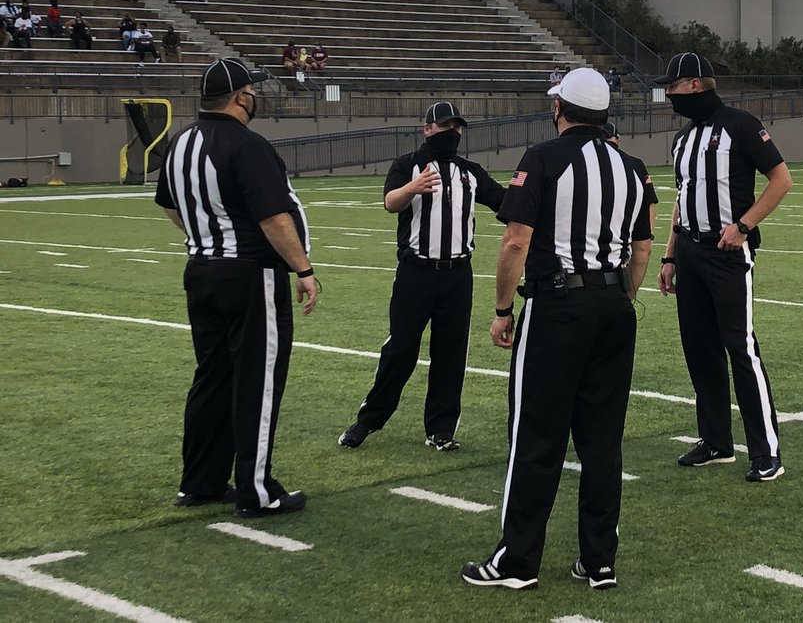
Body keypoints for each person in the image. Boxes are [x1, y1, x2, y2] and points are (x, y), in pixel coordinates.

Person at [461, 68, 653, 591]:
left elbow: (516, 241)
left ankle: (517, 561)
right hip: (615, 308)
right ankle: (599, 560)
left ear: (560, 108)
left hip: (559, 307)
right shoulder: (632, 167)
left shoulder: (544, 158)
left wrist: (503, 309)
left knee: (536, 436)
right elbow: (641, 250)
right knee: (602, 439)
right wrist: (620, 298)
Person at [154, 57, 318, 517]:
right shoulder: (248, 146)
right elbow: (272, 216)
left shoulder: (180, 143)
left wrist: (207, 235)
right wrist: (303, 269)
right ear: (242, 96)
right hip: (250, 275)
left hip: (201, 269)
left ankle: (201, 482)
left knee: (212, 376)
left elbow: (169, 205)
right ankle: (257, 490)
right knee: (257, 380)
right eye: (252, 92)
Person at [656, 52, 793, 483]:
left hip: (728, 253)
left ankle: (765, 449)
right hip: (692, 252)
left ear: (696, 85)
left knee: (740, 347)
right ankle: (716, 441)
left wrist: (743, 226)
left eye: (674, 87)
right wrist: (670, 255)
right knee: (700, 349)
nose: (669, 96)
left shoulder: (741, 125)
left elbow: (781, 179)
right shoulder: (682, 139)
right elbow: (682, 198)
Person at [338, 102, 506, 452]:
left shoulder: (470, 171)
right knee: (400, 350)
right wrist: (412, 188)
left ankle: (441, 428)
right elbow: (390, 203)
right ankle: (368, 421)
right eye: (445, 126)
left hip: (458, 274)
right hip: (416, 272)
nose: (452, 132)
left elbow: (504, 204)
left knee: (451, 353)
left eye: (457, 127)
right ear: (427, 129)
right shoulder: (407, 166)